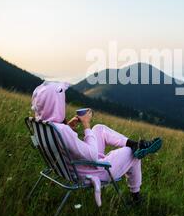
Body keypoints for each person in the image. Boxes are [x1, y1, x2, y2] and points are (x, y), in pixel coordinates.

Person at [31, 81, 162, 206]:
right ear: (54, 105)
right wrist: (86, 124)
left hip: (70, 167)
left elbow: (57, 143)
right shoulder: (62, 130)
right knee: (131, 153)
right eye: (61, 102)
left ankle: (136, 144)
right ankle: (136, 197)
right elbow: (93, 156)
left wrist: (68, 126)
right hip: (90, 172)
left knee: (99, 128)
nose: (63, 104)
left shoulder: (41, 125)